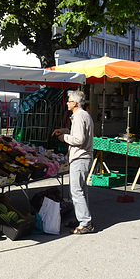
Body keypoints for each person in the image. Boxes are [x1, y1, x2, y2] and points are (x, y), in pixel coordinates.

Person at [51, 90, 95, 234]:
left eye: (69, 101)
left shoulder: (79, 116)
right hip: (83, 157)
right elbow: (78, 133)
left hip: (80, 157)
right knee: (82, 191)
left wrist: (64, 137)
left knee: (76, 191)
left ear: (75, 103)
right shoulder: (83, 115)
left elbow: (78, 139)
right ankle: (81, 218)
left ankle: (85, 222)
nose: (67, 103)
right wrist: (64, 130)